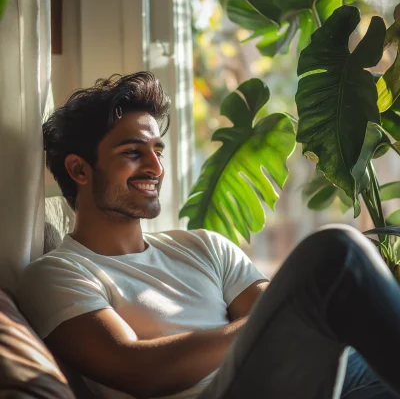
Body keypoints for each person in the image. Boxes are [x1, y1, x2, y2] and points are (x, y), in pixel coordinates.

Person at [17, 72, 400, 399]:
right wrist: (300, 311)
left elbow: (276, 321)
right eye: (133, 152)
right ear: (79, 170)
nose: (155, 167)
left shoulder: (203, 246)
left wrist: (292, 315)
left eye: (157, 151)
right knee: (337, 253)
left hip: (304, 380)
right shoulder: (58, 273)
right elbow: (138, 368)